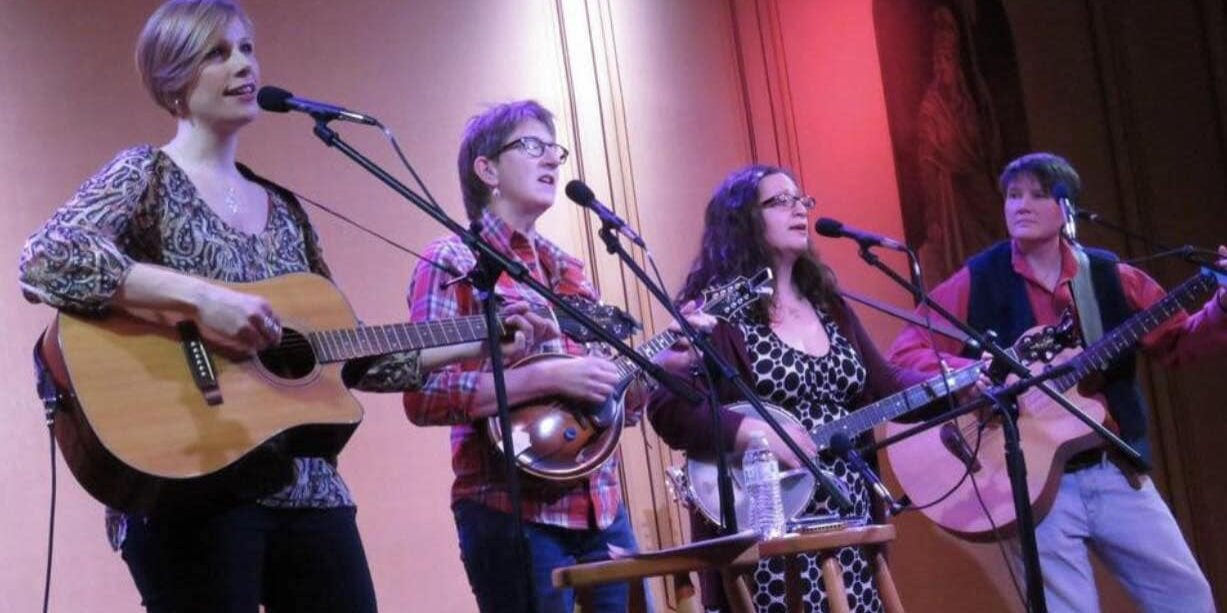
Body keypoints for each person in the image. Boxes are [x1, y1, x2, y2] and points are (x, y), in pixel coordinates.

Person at [18, 2, 546, 611]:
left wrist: (481, 338)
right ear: (175, 80)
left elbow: (347, 359)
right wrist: (200, 299)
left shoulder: (286, 211)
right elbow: (47, 257)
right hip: (189, 480)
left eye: (246, 48)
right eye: (218, 52)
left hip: (309, 490)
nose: (244, 64)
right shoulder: (146, 175)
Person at [888, 152, 1226, 611]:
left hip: (1113, 470)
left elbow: (1178, 343)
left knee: (1189, 599)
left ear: (1065, 208)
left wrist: (1221, 307)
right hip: (1029, 485)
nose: (1020, 205)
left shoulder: (1111, 277)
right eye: (1012, 195)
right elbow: (906, 349)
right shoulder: (980, 277)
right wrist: (967, 376)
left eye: (1037, 194)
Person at [405, 99, 690, 613]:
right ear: (486, 168)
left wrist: (649, 374)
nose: (552, 161)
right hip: (510, 512)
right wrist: (552, 376)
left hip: (601, 510)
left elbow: (610, 409)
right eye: (531, 146)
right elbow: (423, 396)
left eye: (553, 149)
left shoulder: (570, 272)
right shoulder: (452, 259)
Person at [648, 165, 932, 613]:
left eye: (802, 200)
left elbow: (888, 385)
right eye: (780, 201)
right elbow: (667, 406)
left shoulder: (829, 305)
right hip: (766, 534)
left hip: (848, 524)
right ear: (743, 221)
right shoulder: (719, 312)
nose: (798, 209)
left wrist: (968, 384)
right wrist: (759, 436)